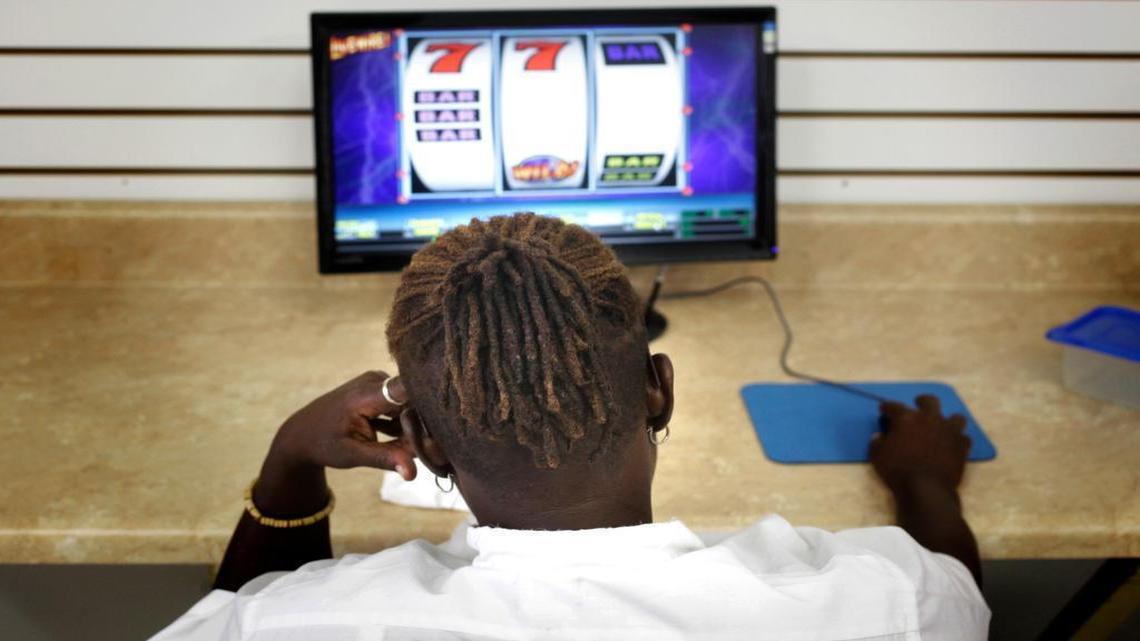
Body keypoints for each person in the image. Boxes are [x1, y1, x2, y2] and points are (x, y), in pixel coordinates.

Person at [153, 213, 989, 641]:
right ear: (658, 389)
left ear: (426, 442)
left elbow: (234, 612)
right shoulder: (884, 603)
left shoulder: (297, 624)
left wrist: (290, 459)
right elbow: (960, 590)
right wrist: (922, 482)